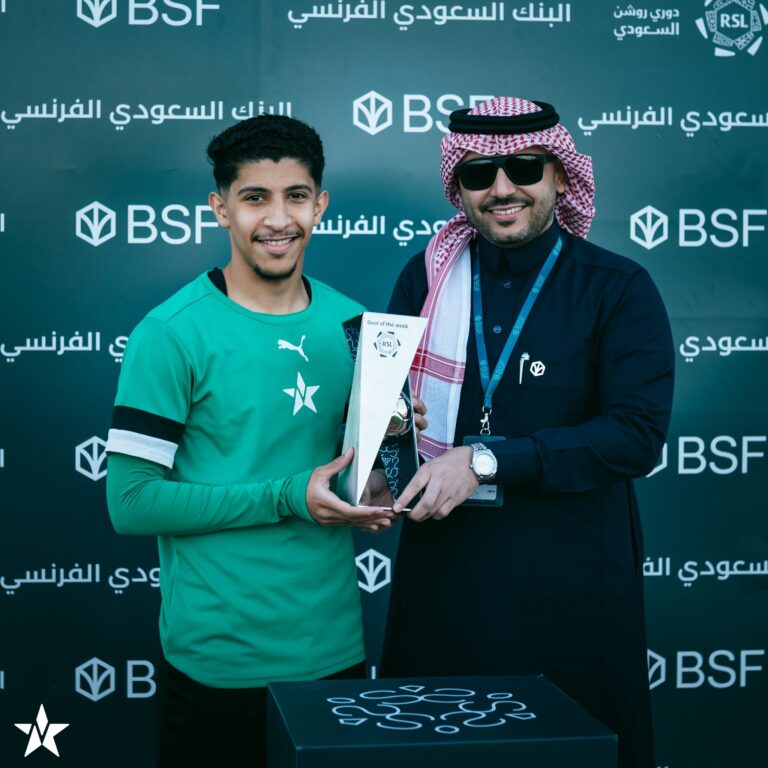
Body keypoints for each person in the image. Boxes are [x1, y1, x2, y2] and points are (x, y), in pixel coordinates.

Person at [381, 97, 674, 768]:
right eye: (479, 173)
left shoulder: (618, 288)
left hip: (569, 586)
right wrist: (383, 464)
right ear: (458, 187)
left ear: (561, 176)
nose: (501, 188)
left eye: (523, 168)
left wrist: (484, 461)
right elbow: (391, 415)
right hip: (445, 582)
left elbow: (634, 435)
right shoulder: (425, 277)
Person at [105, 114, 396, 767]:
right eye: (255, 197)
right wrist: (288, 495)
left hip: (334, 652)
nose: (278, 219)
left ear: (320, 205)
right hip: (218, 664)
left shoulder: (354, 324)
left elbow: (350, 480)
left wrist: (384, 473)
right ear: (221, 209)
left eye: (296, 196)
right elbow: (130, 503)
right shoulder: (171, 333)